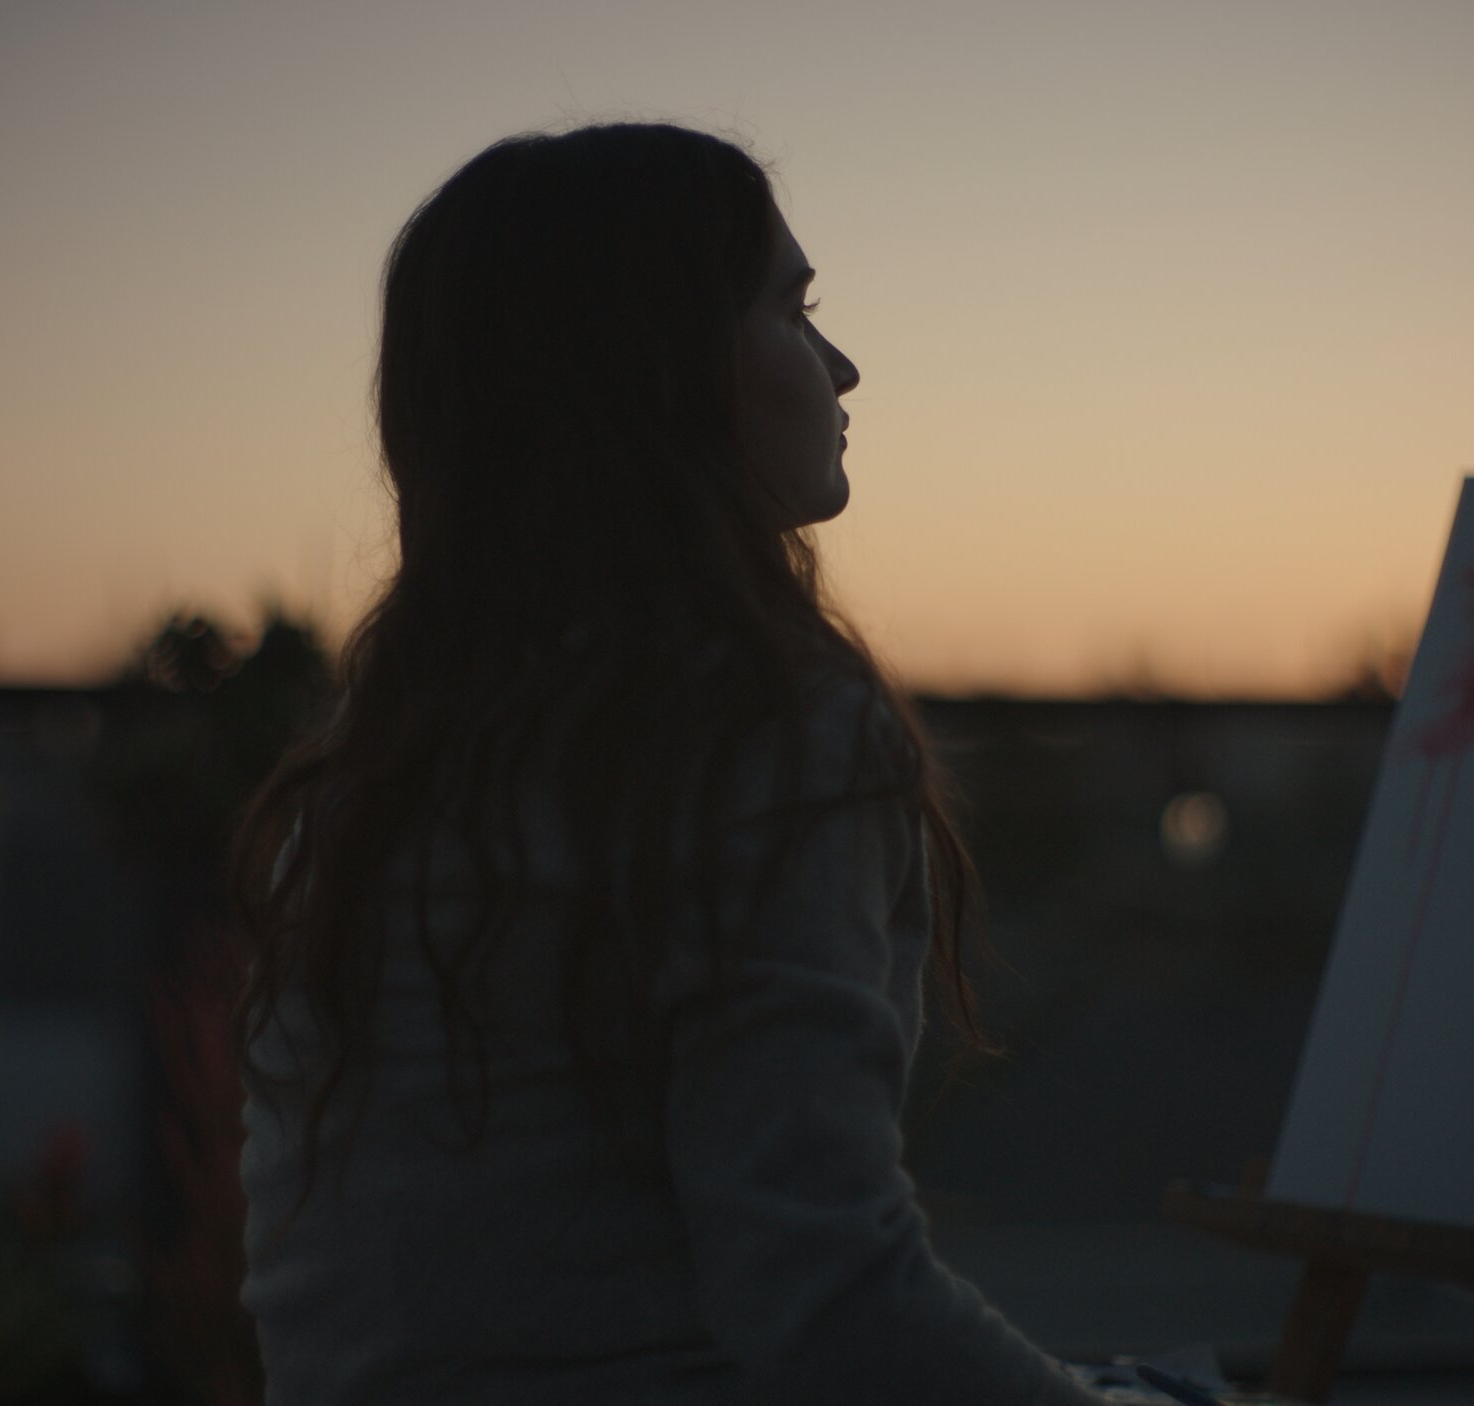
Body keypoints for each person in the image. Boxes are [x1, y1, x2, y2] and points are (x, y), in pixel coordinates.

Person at [233, 121, 1106, 1405]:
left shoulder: (398, 745)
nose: (844, 365)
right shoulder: (761, 729)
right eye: (794, 309)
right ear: (659, 369)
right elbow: (826, 1297)